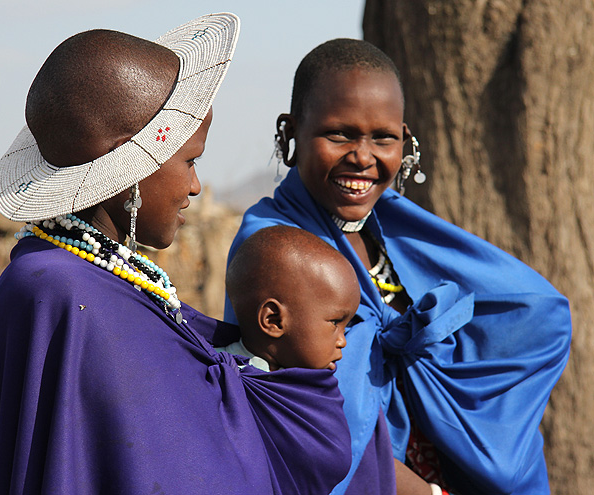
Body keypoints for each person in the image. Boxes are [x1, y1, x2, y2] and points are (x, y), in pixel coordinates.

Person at [0, 15, 352, 494]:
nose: (195, 186)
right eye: (189, 161)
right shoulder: (62, 289)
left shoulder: (90, 277)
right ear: (130, 170)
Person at [225, 38, 572, 495]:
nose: (364, 157)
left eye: (383, 138)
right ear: (290, 134)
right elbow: (309, 422)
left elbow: (533, 310)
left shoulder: (395, 226)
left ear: (406, 142)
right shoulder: (274, 248)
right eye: (339, 134)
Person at [218, 225, 360, 372]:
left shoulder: (312, 385)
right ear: (273, 320)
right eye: (335, 322)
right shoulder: (217, 383)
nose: (343, 342)